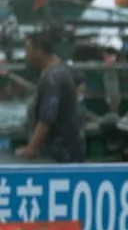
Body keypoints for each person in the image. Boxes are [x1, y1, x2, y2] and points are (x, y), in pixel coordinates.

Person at [17, 30, 86, 162]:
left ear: (39, 51)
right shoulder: (63, 69)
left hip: (59, 154)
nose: (26, 55)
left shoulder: (53, 79)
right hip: (71, 148)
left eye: (28, 50)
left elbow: (46, 119)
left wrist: (31, 148)